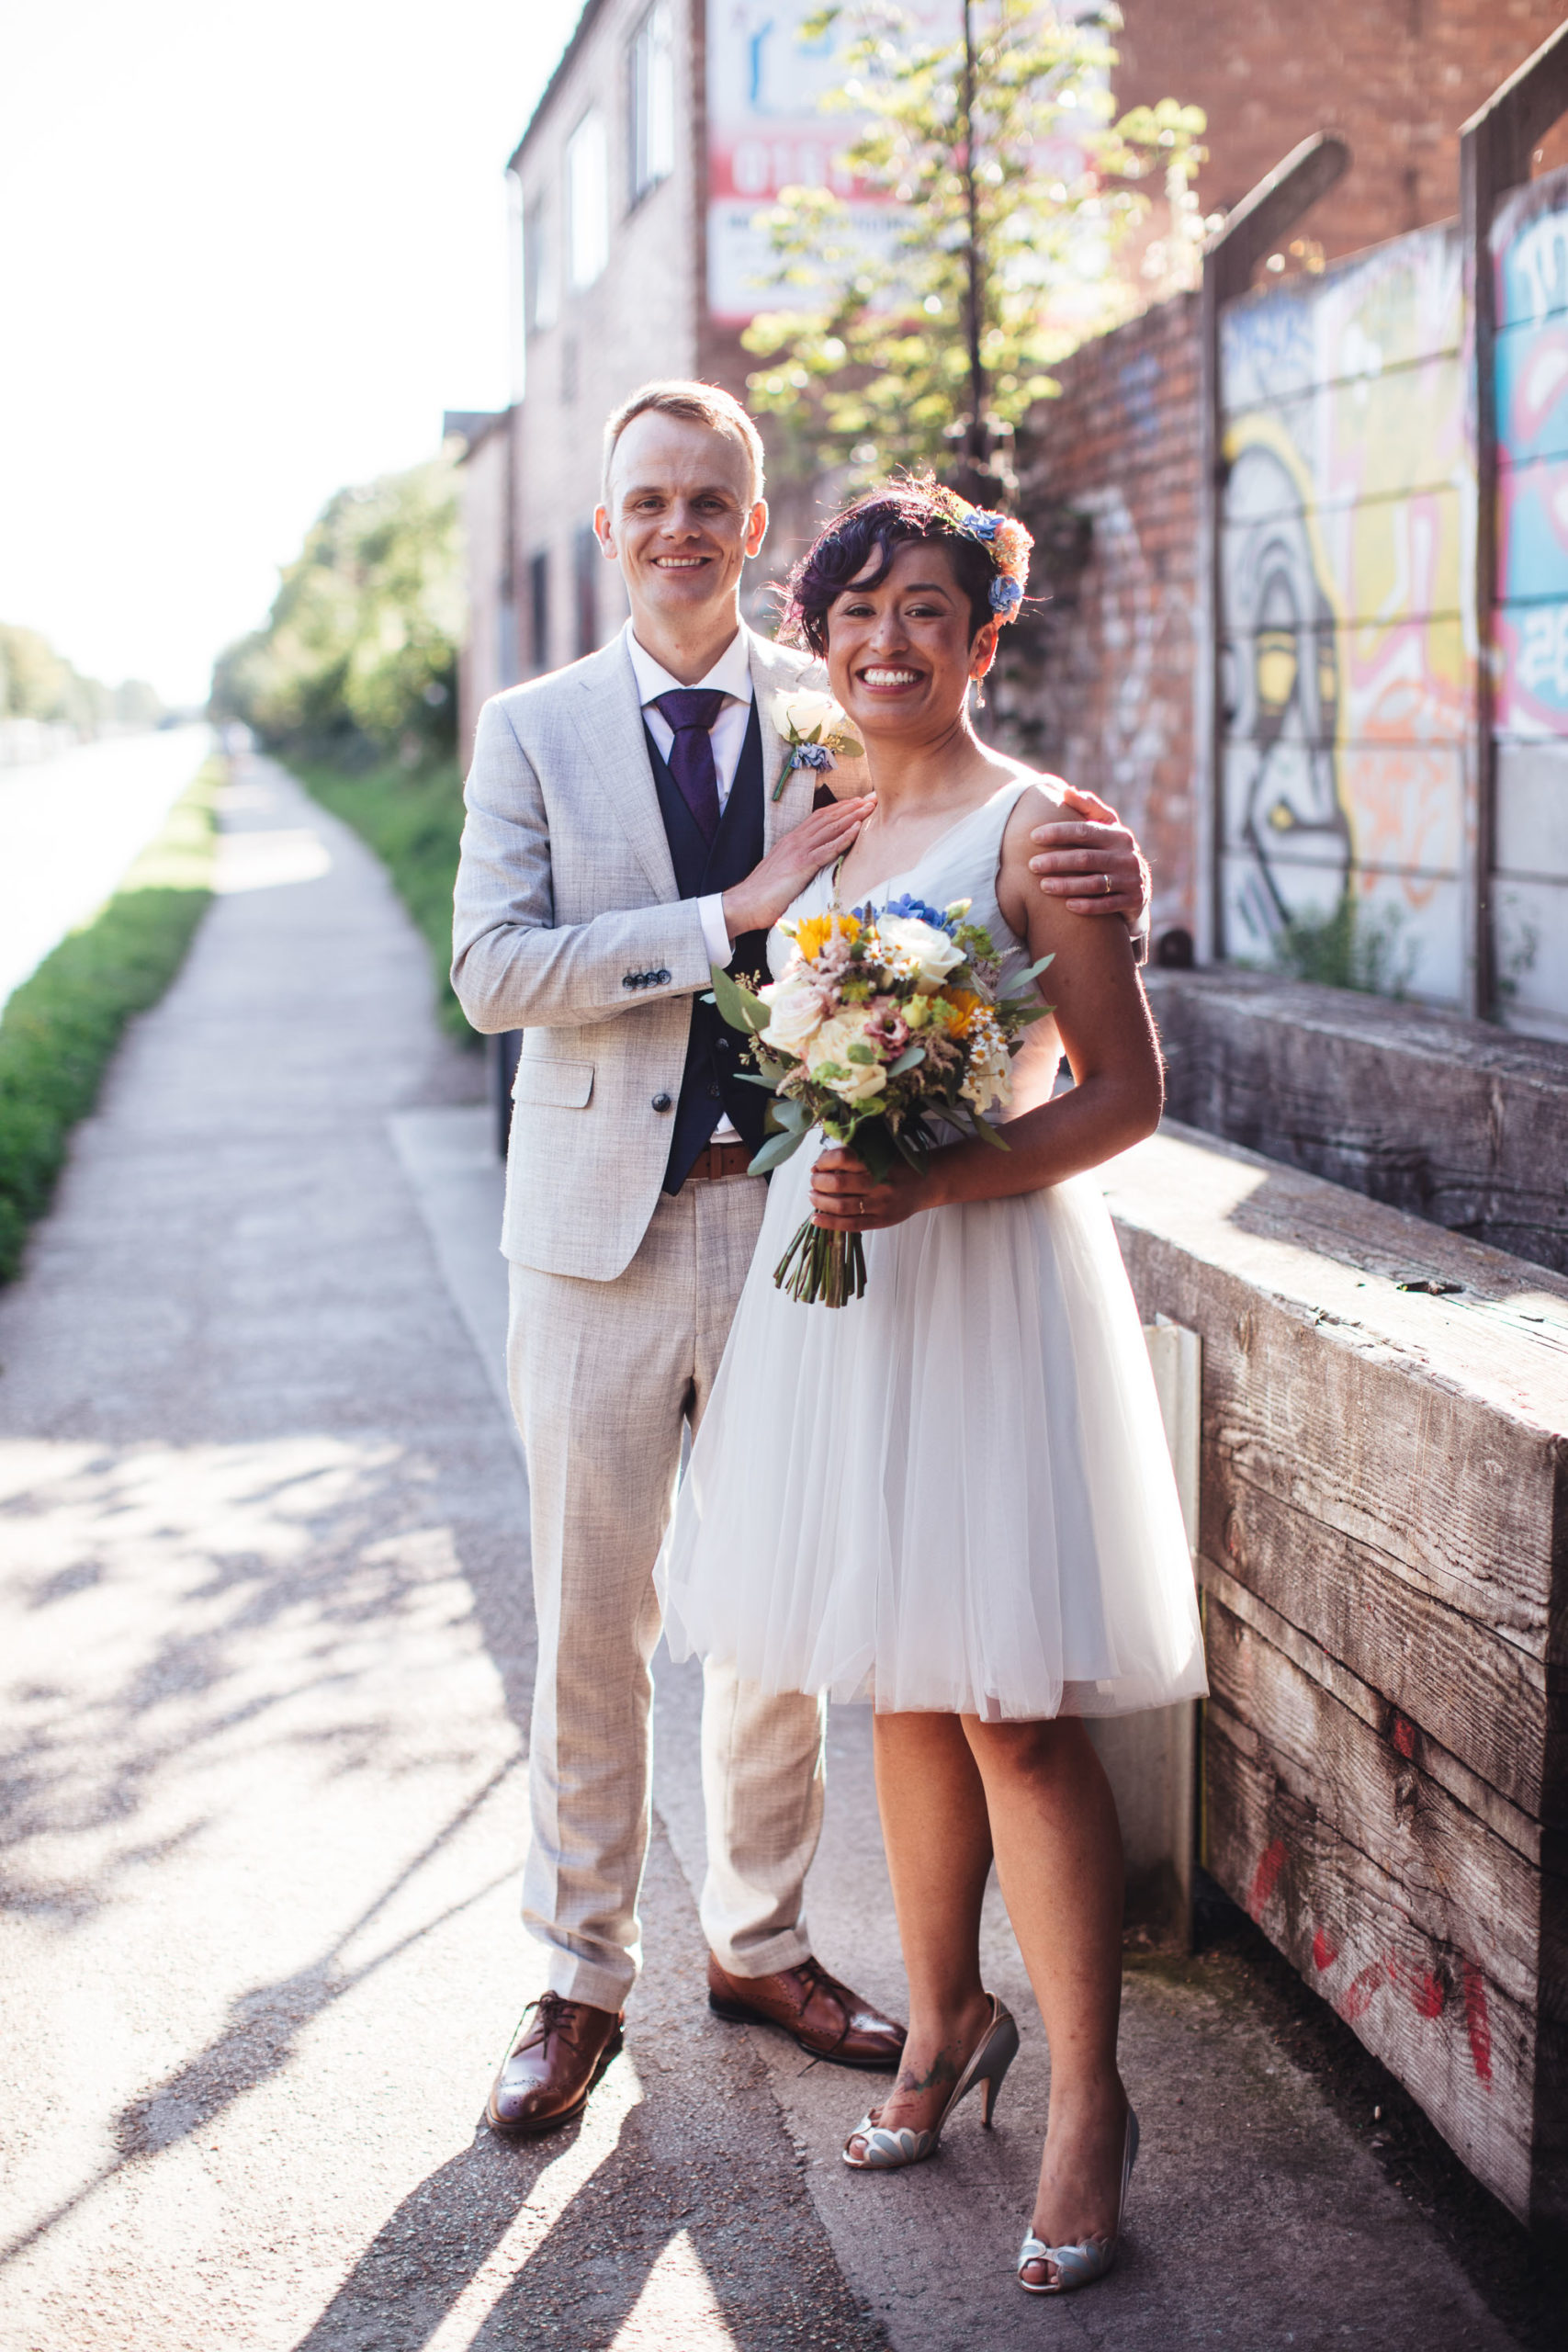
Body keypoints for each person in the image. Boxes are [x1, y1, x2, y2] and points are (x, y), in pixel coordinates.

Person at [451, 383, 1156, 2139]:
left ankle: (759, 1944)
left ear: (754, 530)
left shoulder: (835, 709)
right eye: (649, 500)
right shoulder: (531, 730)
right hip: (600, 1233)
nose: (679, 526)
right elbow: (491, 971)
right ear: (609, 526)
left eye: (712, 499)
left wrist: (1111, 863)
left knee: (777, 1613)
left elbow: (993, 838)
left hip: (796, 1227)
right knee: (595, 1619)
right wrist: (729, 917)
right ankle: (577, 1978)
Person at [660, 480, 1206, 2293]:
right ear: (818, 640)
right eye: (856, 612)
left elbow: (1123, 1096)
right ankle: (946, 2014)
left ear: (982, 640)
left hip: (981, 1283)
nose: (886, 639)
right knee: (893, 1680)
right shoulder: (820, 822)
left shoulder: (1043, 832)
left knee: (1010, 1710)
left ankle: (1088, 2104)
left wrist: (939, 1175)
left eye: (924, 611)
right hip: (843, 1292)